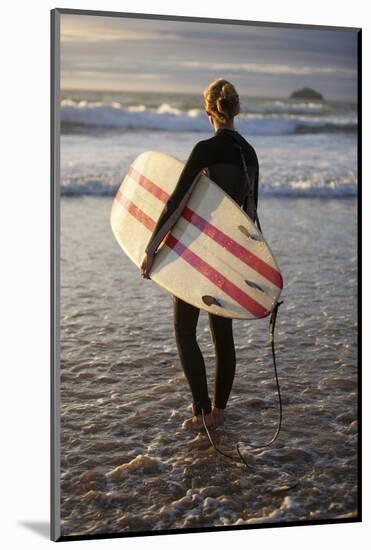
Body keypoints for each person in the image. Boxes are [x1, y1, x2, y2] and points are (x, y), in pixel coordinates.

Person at [140, 78, 259, 431]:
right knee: (223, 335)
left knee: (185, 331)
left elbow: (176, 203)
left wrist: (150, 249)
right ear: (235, 110)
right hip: (228, 257)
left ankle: (200, 411)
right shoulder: (250, 154)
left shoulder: (204, 149)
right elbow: (249, 216)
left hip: (195, 255)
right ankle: (219, 413)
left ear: (209, 111)